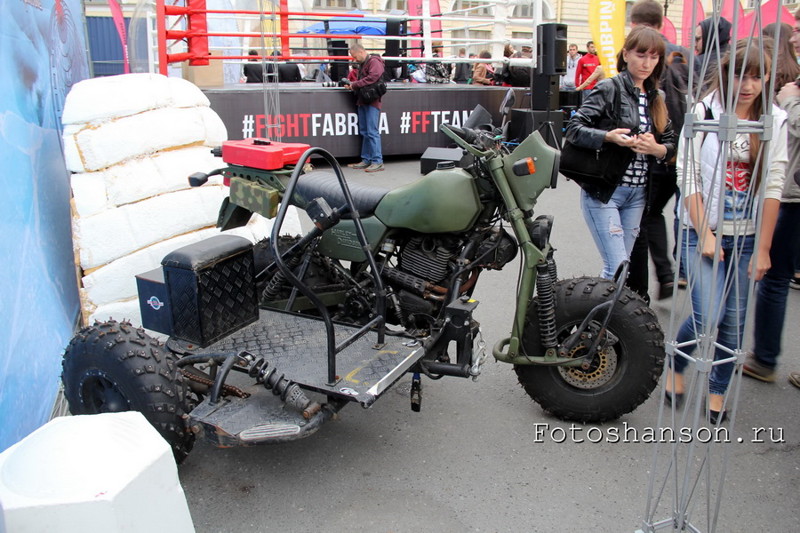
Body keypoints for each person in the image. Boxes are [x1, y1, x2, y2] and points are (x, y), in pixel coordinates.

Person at [667, 40, 787, 423]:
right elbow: (687, 175)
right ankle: (676, 361)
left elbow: (774, 184)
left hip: (747, 236)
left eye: (757, 75)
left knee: (733, 323)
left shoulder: (775, 120)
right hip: (700, 229)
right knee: (708, 313)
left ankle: (717, 391)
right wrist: (704, 232)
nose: (748, 84)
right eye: (740, 74)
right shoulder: (702, 112)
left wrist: (764, 247)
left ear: (767, 78)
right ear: (725, 74)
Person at [565, 26, 675, 283]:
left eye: (654, 57)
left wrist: (655, 149)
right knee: (617, 265)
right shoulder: (610, 88)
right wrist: (608, 137)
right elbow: (573, 128)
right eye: (641, 55)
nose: (647, 63)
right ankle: (599, 321)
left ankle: (602, 322)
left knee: (621, 269)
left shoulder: (657, 96)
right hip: (606, 191)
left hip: (638, 195)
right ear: (626, 54)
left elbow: (669, 144)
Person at [743, 37, 800, 383]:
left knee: (775, 278)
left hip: (793, 195)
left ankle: (764, 359)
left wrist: (791, 102)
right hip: (790, 191)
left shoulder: (788, 98)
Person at [627, 0, 692, 302]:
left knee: (644, 219)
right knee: (663, 214)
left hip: (656, 153)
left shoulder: (649, 61)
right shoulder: (683, 55)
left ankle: (652, 284)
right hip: (682, 152)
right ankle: (671, 274)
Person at [345, 43, 385, 173]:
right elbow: (371, 78)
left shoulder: (374, 61)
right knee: (366, 131)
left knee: (371, 132)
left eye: (355, 56)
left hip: (370, 101)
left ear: (361, 52)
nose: (354, 59)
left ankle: (377, 161)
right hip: (364, 100)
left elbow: (373, 77)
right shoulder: (368, 62)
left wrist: (355, 84)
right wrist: (355, 85)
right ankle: (368, 159)